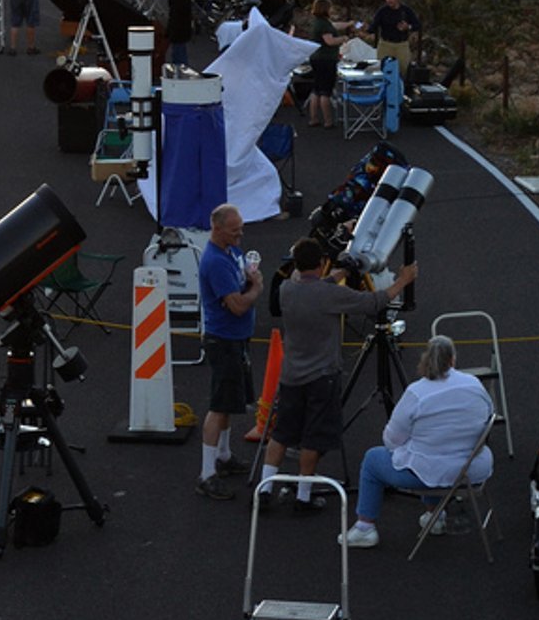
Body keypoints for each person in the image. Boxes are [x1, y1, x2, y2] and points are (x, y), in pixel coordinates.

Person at [260, 239, 417, 511]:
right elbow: (374, 301)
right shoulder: (329, 296)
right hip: (322, 377)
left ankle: (264, 490)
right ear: (321, 265)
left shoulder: (287, 289)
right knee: (313, 436)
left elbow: (315, 285)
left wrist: (342, 271)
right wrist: (404, 280)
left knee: (282, 433)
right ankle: (303, 497)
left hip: (291, 376)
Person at [342, 337, 494, 548]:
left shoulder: (416, 392)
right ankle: (435, 517)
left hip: (431, 472)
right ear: (452, 360)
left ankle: (365, 527)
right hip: (471, 470)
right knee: (427, 455)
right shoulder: (474, 385)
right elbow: (487, 417)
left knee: (373, 460)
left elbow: (391, 439)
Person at [197, 204, 263, 501]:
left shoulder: (231, 252)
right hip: (223, 340)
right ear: (218, 229)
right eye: (235, 230)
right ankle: (207, 473)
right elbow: (237, 305)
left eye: (241, 229)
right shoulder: (215, 262)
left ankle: (223, 455)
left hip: (235, 339)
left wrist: (248, 282)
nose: (240, 234)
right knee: (219, 404)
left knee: (230, 401)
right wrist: (256, 289)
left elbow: (240, 286)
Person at [302, 0, 344, 129]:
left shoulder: (317, 22)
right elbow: (330, 41)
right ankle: (328, 120)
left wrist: (348, 24)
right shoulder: (324, 25)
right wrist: (343, 38)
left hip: (315, 58)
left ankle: (313, 118)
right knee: (326, 91)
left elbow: (333, 26)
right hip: (326, 59)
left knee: (316, 89)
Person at [369, 0, 421, 75]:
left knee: (403, 70)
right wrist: (365, 29)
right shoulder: (382, 11)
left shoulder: (406, 11)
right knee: (383, 69)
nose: (389, 0)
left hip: (401, 45)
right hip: (385, 44)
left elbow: (417, 25)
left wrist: (408, 27)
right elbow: (373, 26)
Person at [166, 0, 195, 69]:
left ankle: (182, 70)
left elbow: (181, 8)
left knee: (180, 52)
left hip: (181, 27)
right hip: (176, 27)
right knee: (176, 52)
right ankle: (179, 69)